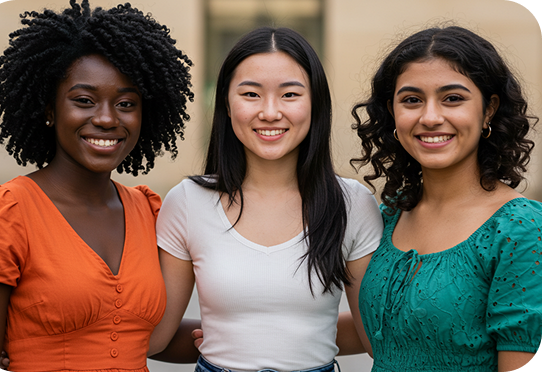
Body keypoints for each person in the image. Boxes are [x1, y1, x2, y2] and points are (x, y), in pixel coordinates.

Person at [148, 26, 383, 371]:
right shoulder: (187, 201)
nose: (270, 112)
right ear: (226, 105)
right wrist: (223, 338)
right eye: (251, 94)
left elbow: (376, 339)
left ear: (316, 104)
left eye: (290, 95)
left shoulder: (353, 203)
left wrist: (297, 340)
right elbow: (156, 336)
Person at [0, 0, 195, 370]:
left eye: (126, 103)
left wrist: (246, 333)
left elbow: (146, 337)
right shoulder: (5, 212)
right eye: (84, 101)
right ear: (49, 109)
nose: (108, 119)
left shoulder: (150, 211)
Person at [351, 25, 541, 371]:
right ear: (392, 112)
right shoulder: (389, 215)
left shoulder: (521, 230)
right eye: (411, 100)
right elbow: (394, 331)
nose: (430, 117)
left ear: (488, 110)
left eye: (453, 98)